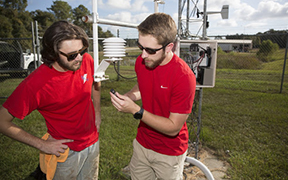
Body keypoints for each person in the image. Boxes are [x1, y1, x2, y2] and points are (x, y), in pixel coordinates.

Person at [0, 20, 101, 180]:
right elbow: (2, 121)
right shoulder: (35, 84)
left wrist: (97, 112)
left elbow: (96, 83)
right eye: (72, 55)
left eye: (82, 50)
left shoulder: (86, 60)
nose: (80, 58)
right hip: (64, 152)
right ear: (53, 53)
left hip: (93, 142)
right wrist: (42, 145)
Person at [110, 13, 196, 180]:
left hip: (169, 152)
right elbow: (143, 86)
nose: (143, 55)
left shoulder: (183, 77)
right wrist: (130, 97)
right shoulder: (143, 61)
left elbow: (173, 128)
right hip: (142, 144)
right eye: (140, 47)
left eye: (150, 50)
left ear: (169, 47)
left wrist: (136, 110)